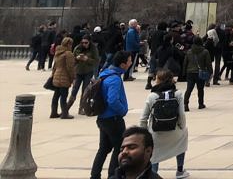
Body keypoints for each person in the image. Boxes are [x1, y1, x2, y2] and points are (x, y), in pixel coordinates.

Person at [139, 69, 188, 179]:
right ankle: (180, 170)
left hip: (156, 133)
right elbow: (182, 115)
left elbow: (143, 119)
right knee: (183, 137)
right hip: (174, 131)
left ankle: (153, 172)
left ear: (159, 80)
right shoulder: (178, 94)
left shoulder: (152, 96)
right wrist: (181, 127)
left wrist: (145, 134)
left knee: (154, 152)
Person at [92, 51, 133, 179]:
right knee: (119, 148)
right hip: (113, 119)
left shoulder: (104, 74)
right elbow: (112, 100)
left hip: (103, 118)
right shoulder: (114, 79)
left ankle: (95, 175)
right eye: (129, 61)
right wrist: (122, 110)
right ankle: (113, 175)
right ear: (122, 64)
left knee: (103, 149)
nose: (131, 63)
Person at [70, 34, 101, 110]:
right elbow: (71, 60)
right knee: (74, 89)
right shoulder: (77, 48)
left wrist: (87, 59)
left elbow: (96, 61)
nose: (84, 44)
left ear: (89, 42)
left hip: (88, 72)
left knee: (85, 90)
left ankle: (81, 108)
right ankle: (67, 108)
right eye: (83, 42)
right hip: (78, 72)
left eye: (86, 42)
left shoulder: (93, 49)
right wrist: (77, 58)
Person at [50, 36, 76, 119]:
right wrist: (73, 78)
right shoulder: (68, 54)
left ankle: (53, 112)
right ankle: (65, 113)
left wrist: (53, 75)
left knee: (56, 95)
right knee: (64, 96)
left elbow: (54, 66)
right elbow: (70, 68)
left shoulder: (58, 52)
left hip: (56, 76)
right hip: (64, 77)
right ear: (68, 44)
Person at [182, 40, 211, 112]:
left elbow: (185, 63)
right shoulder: (205, 51)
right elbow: (208, 63)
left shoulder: (189, 52)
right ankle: (200, 104)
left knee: (189, 89)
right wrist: (210, 72)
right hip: (200, 72)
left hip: (190, 72)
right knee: (200, 89)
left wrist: (183, 73)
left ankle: (185, 104)